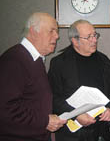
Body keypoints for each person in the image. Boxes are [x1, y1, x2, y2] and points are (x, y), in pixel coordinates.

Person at [48, 19, 110, 141]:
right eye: (89, 37)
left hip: (101, 130)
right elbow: (52, 97)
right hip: (73, 132)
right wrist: (75, 115)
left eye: (95, 35)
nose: (94, 40)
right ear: (75, 41)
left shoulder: (104, 61)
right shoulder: (59, 63)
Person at [0, 12, 67, 141]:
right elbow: (4, 109)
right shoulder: (14, 60)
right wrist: (45, 121)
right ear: (33, 31)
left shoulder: (35, 60)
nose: (57, 36)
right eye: (51, 31)